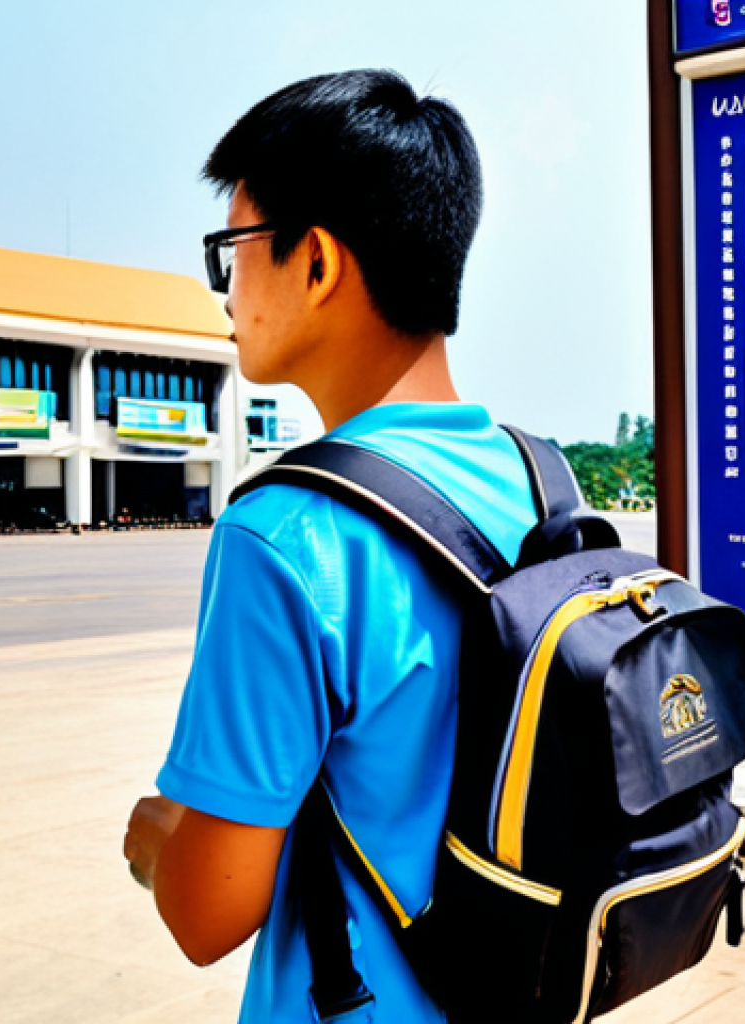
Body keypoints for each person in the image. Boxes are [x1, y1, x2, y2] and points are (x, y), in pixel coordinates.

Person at [123, 69, 537, 1023]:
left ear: (315, 262)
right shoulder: (538, 481)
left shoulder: (284, 535)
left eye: (233, 250)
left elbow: (209, 913)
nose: (228, 293)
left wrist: (156, 844)